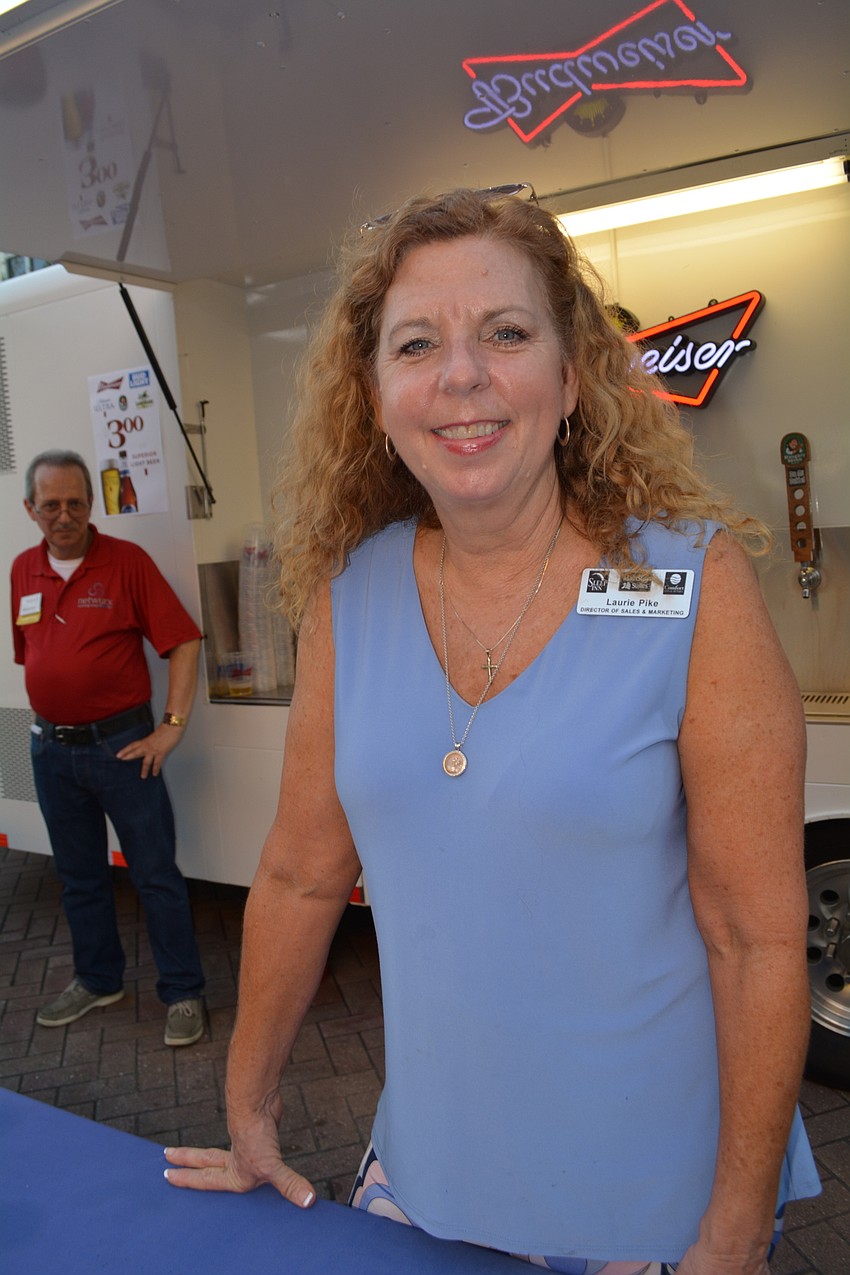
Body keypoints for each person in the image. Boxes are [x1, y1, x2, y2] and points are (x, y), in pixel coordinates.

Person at [163, 187, 820, 1269]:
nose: (460, 375)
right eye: (416, 344)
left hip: (651, 1200)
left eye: (505, 334)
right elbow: (296, 876)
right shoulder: (347, 598)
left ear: (571, 377)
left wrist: (735, 1229)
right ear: (375, 396)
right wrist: (251, 1105)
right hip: (428, 1175)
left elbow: (752, 938)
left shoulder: (681, 586)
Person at [11, 449, 206, 1047]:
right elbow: (33, 654)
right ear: (31, 509)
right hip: (51, 752)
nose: (64, 515)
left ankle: (183, 991)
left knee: (154, 876)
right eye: (51, 505)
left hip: (124, 749)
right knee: (80, 877)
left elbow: (184, 641)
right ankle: (98, 979)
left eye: (75, 503)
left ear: (91, 504)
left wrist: (171, 725)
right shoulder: (22, 569)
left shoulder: (126, 563)